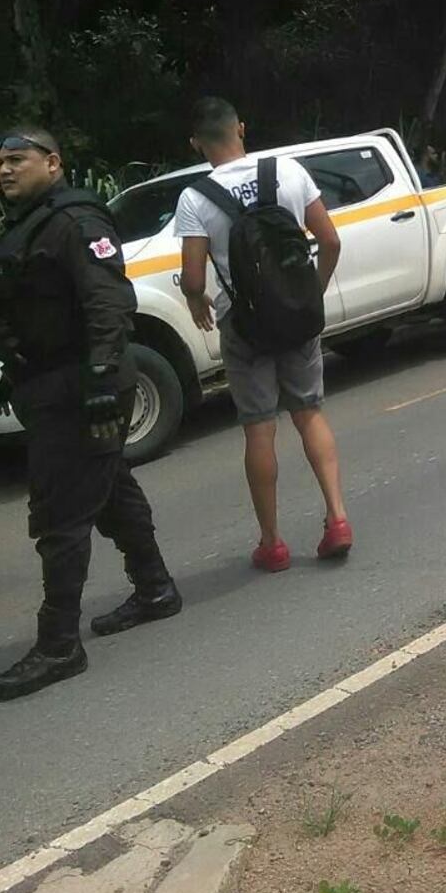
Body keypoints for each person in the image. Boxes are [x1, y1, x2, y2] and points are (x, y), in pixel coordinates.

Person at [0, 129, 179, 702]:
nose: (4, 170)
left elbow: (108, 302)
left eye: (16, 160)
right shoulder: (27, 222)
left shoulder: (77, 222)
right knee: (109, 490)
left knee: (60, 514)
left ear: (53, 163)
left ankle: (58, 645)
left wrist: (101, 380)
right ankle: (155, 590)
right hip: (51, 386)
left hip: (84, 388)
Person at [174, 98, 352, 571]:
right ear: (241, 129)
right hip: (296, 314)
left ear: (197, 143)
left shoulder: (195, 198)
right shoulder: (289, 171)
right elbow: (330, 240)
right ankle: (337, 519)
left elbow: (193, 278)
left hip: (245, 323)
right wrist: (310, 292)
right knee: (309, 412)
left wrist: (197, 301)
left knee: (259, 426)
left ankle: (272, 543)